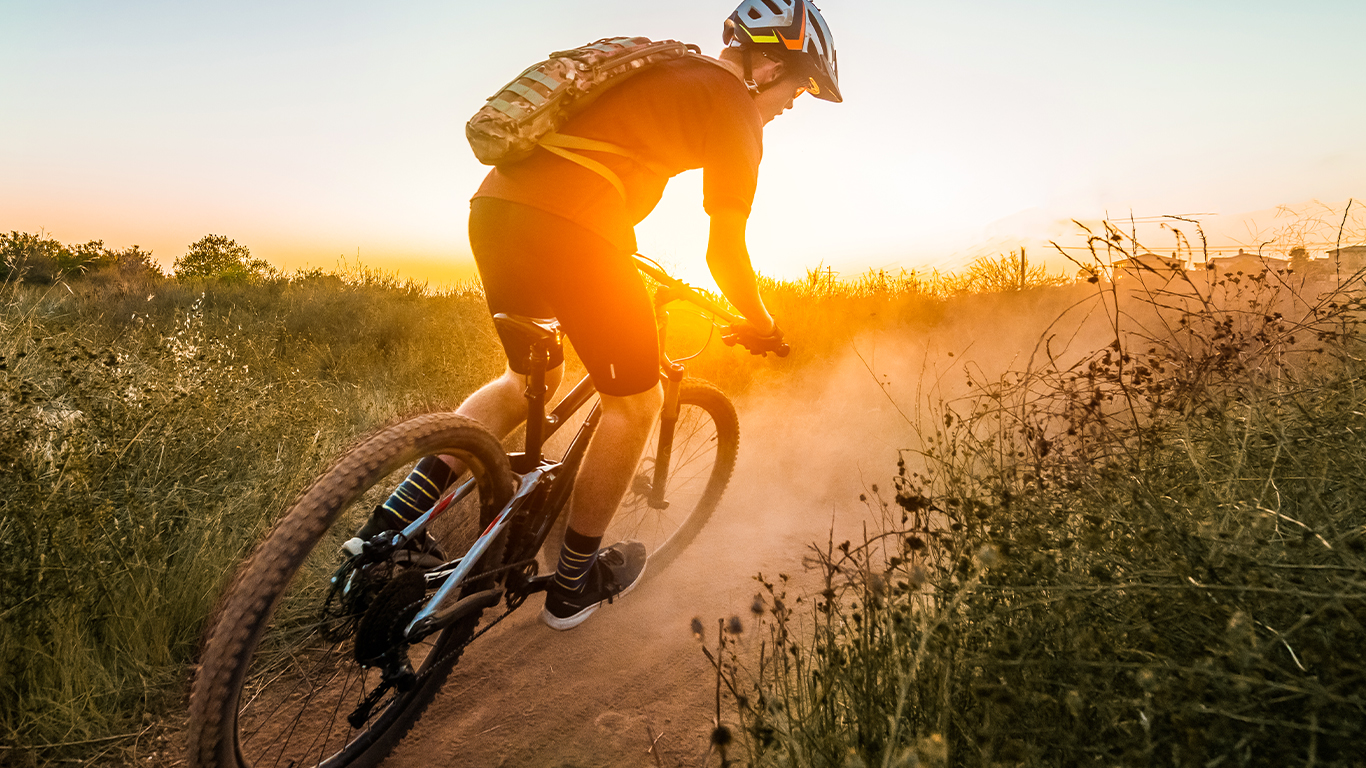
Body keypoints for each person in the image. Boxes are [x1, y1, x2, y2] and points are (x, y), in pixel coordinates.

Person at [354, 0, 842, 630]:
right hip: (580, 229)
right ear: (770, 65)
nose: (790, 106)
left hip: (497, 210)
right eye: (798, 90)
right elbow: (723, 249)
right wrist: (762, 323)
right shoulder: (733, 107)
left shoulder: (658, 67)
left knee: (525, 381)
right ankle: (572, 587)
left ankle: (383, 533)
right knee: (634, 402)